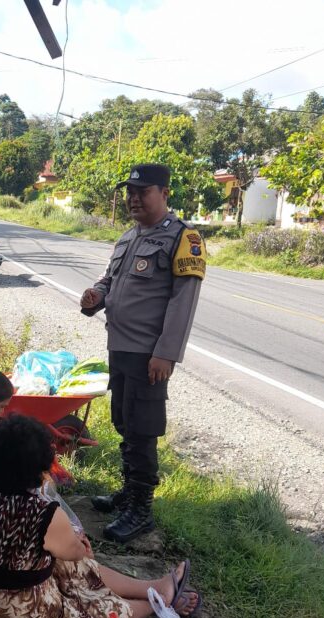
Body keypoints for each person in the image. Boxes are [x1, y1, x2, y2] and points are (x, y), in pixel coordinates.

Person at [0, 415, 200, 618]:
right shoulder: (42, 513)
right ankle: (159, 602)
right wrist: (81, 547)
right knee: (90, 599)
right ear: (38, 469)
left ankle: (155, 588)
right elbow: (77, 554)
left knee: (60, 562)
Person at [80, 163, 206, 544]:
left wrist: (166, 354)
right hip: (119, 346)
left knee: (143, 429)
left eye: (143, 192)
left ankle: (142, 511)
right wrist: (95, 297)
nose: (134, 199)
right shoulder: (127, 237)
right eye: (130, 193)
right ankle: (128, 493)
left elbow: (184, 301)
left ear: (164, 193)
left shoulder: (183, 238)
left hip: (149, 354)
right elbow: (110, 279)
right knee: (123, 421)